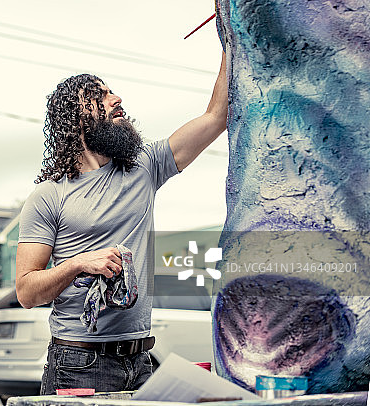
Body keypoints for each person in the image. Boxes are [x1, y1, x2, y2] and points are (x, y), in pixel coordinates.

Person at [16, 51, 228, 394]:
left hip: (141, 360)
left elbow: (217, 117)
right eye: (99, 95)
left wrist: (229, 37)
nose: (116, 100)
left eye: (112, 92)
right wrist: (80, 263)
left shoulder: (145, 166)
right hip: (77, 365)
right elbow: (26, 291)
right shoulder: (49, 198)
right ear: (77, 116)